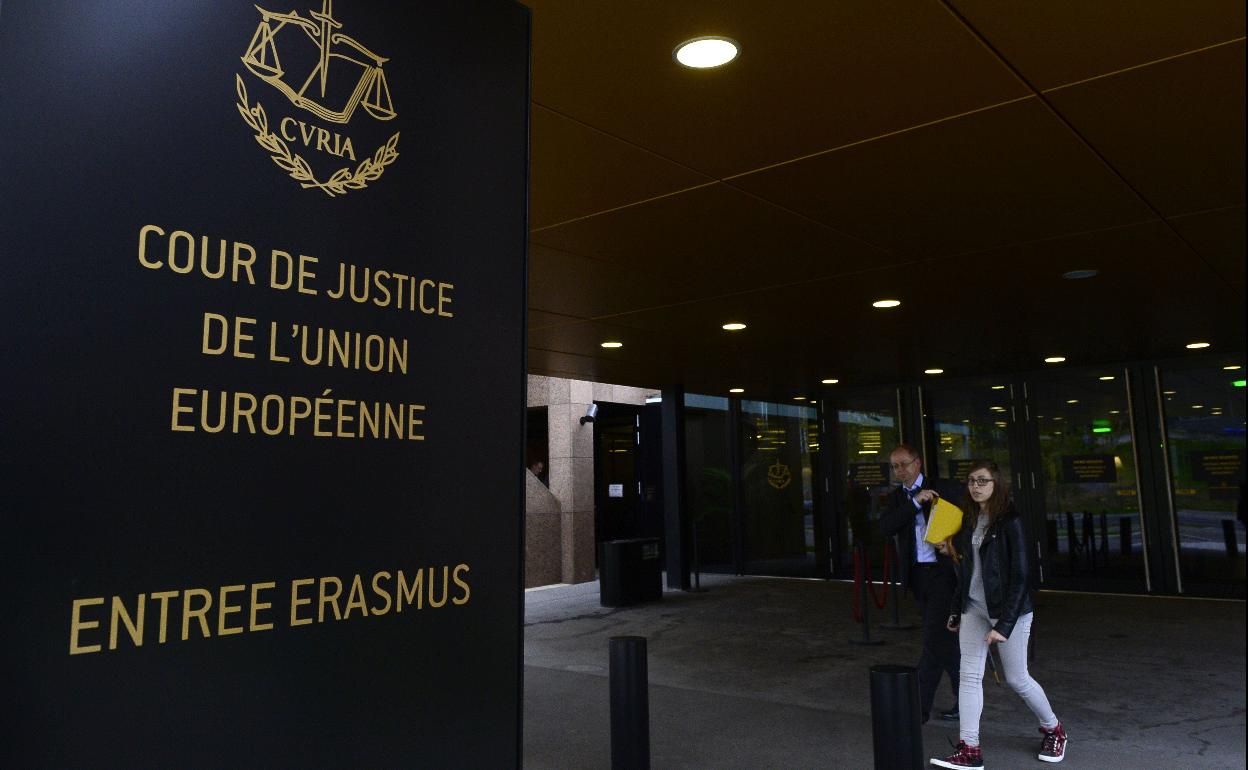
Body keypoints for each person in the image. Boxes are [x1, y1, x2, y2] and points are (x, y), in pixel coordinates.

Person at [931, 461, 1066, 768]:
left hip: (1009, 611)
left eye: (983, 481)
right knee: (969, 675)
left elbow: (1021, 576)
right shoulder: (970, 519)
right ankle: (970, 749)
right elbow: (967, 571)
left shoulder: (1010, 521)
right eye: (971, 481)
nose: (975, 486)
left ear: (997, 484)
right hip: (974, 609)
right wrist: (956, 610)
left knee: (1017, 678)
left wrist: (1004, 625)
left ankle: (1054, 729)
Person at [878, 444, 963, 723]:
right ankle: (966, 699)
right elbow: (885, 527)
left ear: (918, 463)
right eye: (895, 466)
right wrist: (915, 503)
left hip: (944, 575)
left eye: (904, 464)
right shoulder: (897, 498)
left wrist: (953, 546)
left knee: (933, 640)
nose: (900, 470)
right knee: (943, 641)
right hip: (918, 577)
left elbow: (968, 521)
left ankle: (918, 707)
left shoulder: (944, 487)